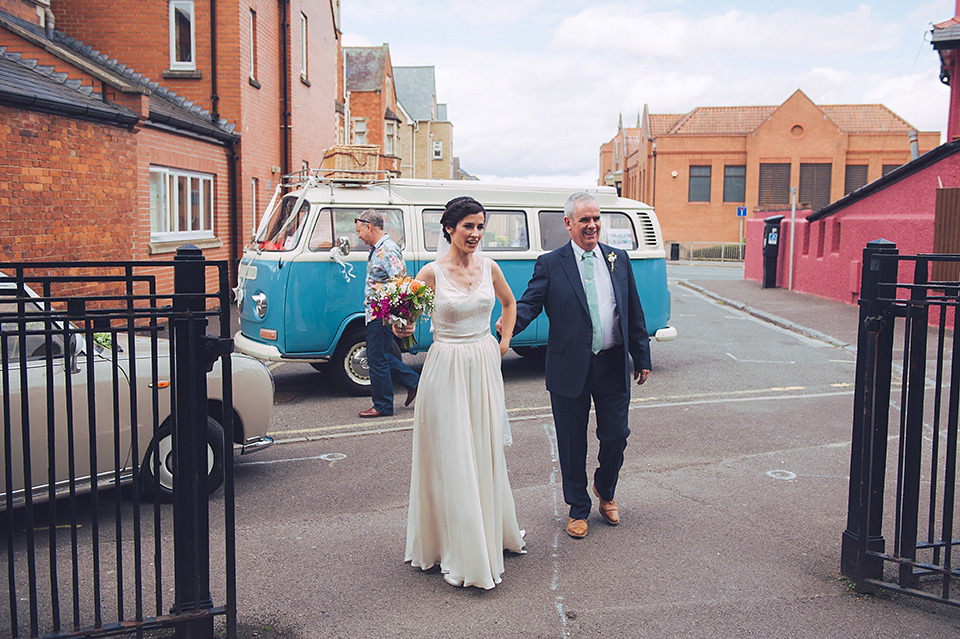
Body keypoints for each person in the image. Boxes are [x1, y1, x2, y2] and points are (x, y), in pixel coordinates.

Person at [394, 196, 525, 589]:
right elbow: (407, 321)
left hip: (483, 365)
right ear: (449, 228)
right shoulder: (431, 273)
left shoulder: (491, 267)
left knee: (481, 449)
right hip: (446, 367)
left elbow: (508, 302)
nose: (475, 234)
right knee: (453, 454)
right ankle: (457, 545)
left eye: (481, 226)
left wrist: (503, 341)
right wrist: (402, 328)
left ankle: (488, 533)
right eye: (468, 225)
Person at [508, 192, 651, 539]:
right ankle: (577, 508)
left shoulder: (619, 259)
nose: (592, 226)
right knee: (572, 443)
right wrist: (507, 326)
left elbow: (632, 309)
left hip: (612, 364)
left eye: (596, 219)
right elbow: (530, 304)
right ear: (569, 223)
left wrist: (641, 355)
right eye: (585, 220)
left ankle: (606, 489)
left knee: (616, 436)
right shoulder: (550, 263)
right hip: (569, 366)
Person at [356, 209, 419, 418]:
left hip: (381, 315)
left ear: (369, 226)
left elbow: (400, 284)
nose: (358, 235)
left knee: (377, 359)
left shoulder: (388, 250)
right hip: (375, 312)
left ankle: (383, 405)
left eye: (359, 231)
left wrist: (397, 317)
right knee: (378, 356)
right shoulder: (378, 249)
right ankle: (414, 383)